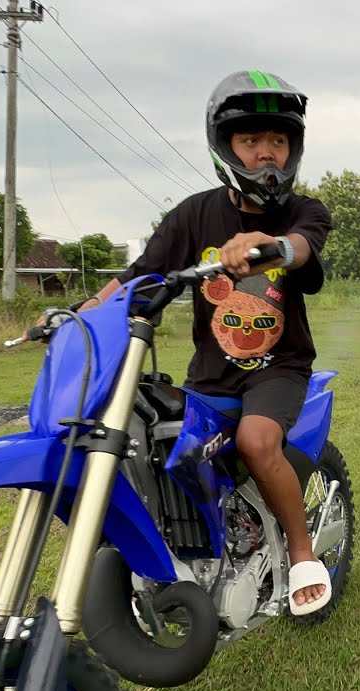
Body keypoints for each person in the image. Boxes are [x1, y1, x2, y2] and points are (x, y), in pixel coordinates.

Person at [50, 70, 334, 616]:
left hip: (279, 369)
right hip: (210, 372)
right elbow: (141, 273)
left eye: (278, 141)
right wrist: (87, 311)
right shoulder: (192, 214)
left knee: (255, 441)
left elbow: (301, 248)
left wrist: (267, 244)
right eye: (251, 141)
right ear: (224, 146)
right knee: (162, 454)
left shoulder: (304, 211)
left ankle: (302, 555)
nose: (267, 154)